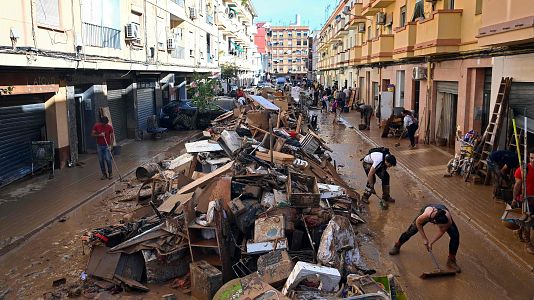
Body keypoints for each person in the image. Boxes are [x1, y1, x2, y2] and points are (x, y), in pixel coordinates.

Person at [388, 203, 461, 273]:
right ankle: (397, 245)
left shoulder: (448, 220)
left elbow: (442, 231)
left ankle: (451, 260)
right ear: (434, 222)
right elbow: (418, 223)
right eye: (440, 226)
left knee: (455, 235)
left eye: (443, 226)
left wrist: (431, 242)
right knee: (411, 230)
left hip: (440, 211)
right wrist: (424, 239)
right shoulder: (426, 215)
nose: (442, 227)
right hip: (428, 209)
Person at [512, 148, 534, 254]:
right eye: (531, 158)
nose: (533, 160)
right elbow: (517, 185)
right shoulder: (523, 170)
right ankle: (528, 243)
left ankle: (518, 231)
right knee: (527, 221)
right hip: (525, 199)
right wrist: (514, 199)